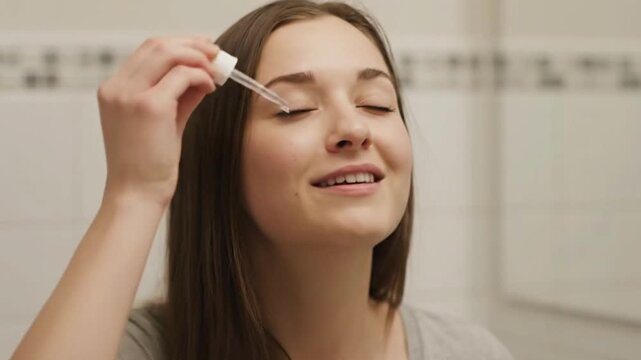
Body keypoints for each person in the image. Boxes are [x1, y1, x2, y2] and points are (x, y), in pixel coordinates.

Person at [11, 1, 513, 359]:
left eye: (376, 103)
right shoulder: (139, 350)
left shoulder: (470, 351)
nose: (354, 129)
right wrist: (133, 193)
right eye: (294, 108)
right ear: (220, 162)